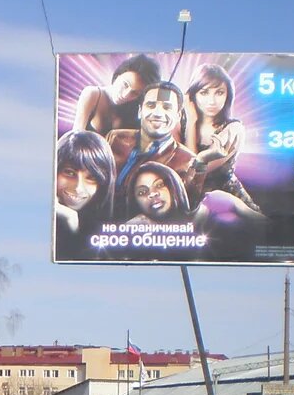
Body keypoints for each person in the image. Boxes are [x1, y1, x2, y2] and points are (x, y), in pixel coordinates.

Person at [122, 162, 265, 258]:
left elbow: (270, 229)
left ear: (173, 186)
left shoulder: (216, 202)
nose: (152, 194)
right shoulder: (138, 231)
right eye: (142, 192)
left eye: (159, 185)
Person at [106, 82, 205, 208]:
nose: (158, 113)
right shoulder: (115, 138)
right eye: (151, 105)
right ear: (140, 111)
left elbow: (183, 211)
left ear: (178, 116)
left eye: (167, 107)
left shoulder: (188, 161)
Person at [184, 63, 260, 211]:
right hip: (189, 203)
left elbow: (193, 173)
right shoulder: (180, 123)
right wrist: (191, 122)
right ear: (192, 95)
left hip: (229, 204)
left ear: (228, 95)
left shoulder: (233, 129)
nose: (212, 101)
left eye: (219, 93)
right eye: (204, 92)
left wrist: (191, 123)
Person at [54, 130, 116, 259]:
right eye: (69, 172)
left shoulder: (108, 242)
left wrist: (71, 226)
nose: (78, 188)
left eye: (91, 178)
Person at [72, 54, 161, 135]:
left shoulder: (135, 106)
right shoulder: (93, 94)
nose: (125, 95)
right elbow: (75, 136)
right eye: (125, 84)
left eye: (135, 93)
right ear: (118, 75)